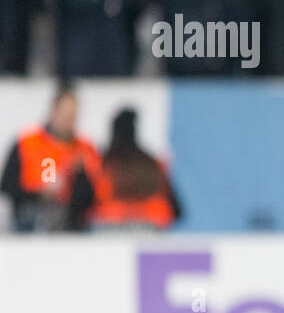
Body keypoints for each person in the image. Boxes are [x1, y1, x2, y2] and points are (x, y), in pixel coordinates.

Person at [0, 85, 101, 232]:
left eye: (72, 117)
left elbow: (97, 192)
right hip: (30, 214)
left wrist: (80, 175)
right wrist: (39, 193)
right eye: (64, 115)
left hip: (72, 218)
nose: (68, 122)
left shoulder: (85, 149)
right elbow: (7, 185)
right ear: (53, 112)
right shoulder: (27, 143)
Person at [87, 108, 183, 231]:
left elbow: (85, 203)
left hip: (110, 230)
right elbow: (176, 209)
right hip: (151, 229)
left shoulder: (103, 164)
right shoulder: (154, 164)